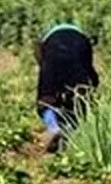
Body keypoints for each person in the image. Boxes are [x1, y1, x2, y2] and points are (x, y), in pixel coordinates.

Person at [35, 23, 100, 153]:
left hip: (51, 60)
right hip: (78, 60)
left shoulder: (46, 42)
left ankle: (53, 128)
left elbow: (42, 62)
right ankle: (69, 133)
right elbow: (89, 68)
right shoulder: (82, 40)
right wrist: (94, 83)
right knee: (80, 99)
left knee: (47, 98)